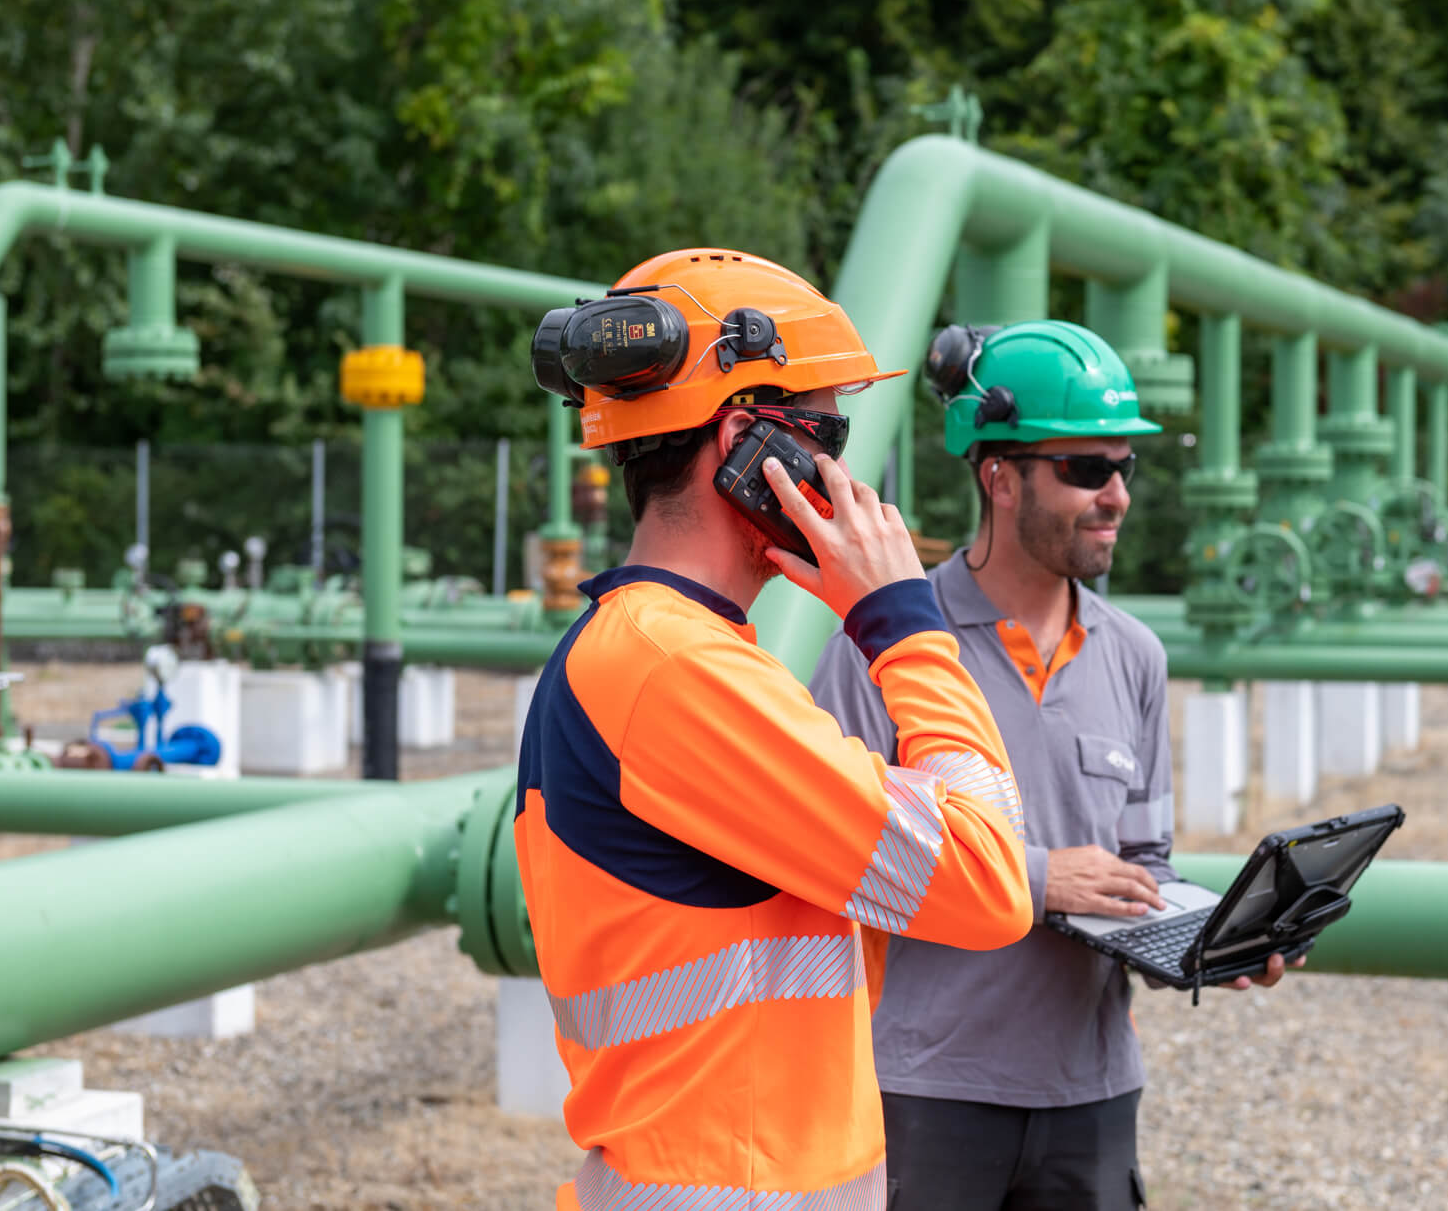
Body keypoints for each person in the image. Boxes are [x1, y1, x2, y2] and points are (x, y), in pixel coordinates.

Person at [512, 249, 1034, 1211]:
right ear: (751, 443)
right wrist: (902, 622)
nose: (845, 473)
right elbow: (988, 881)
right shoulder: (673, 669)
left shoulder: (674, 653)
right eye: (829, 434)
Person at [809, 320, 1290, 1210]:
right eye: (1085, 468)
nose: (1117, 495)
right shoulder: (883, 643)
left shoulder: (1135, 655)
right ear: (999, 476)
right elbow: (832, 850)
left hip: (1092, 1095)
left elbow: (1141, 863)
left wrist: (1209, 942)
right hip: (924, 1090)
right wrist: (1036, 880)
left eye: (1124, 467)